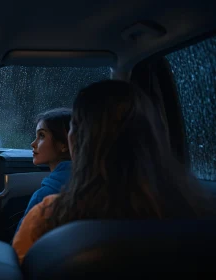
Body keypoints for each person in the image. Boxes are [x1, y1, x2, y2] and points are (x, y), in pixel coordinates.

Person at [12, 80, 213, 263]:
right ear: (154, 134)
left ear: (74, 140)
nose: (33, 143)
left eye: (74, 126)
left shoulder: (48, 214)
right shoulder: (200, 211)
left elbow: (19, 265)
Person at [13, 108, 72, 236]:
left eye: (42, 136)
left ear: (64, 144)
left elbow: (20, 247)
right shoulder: (92, 184)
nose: (33, 143)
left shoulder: (44, 197)